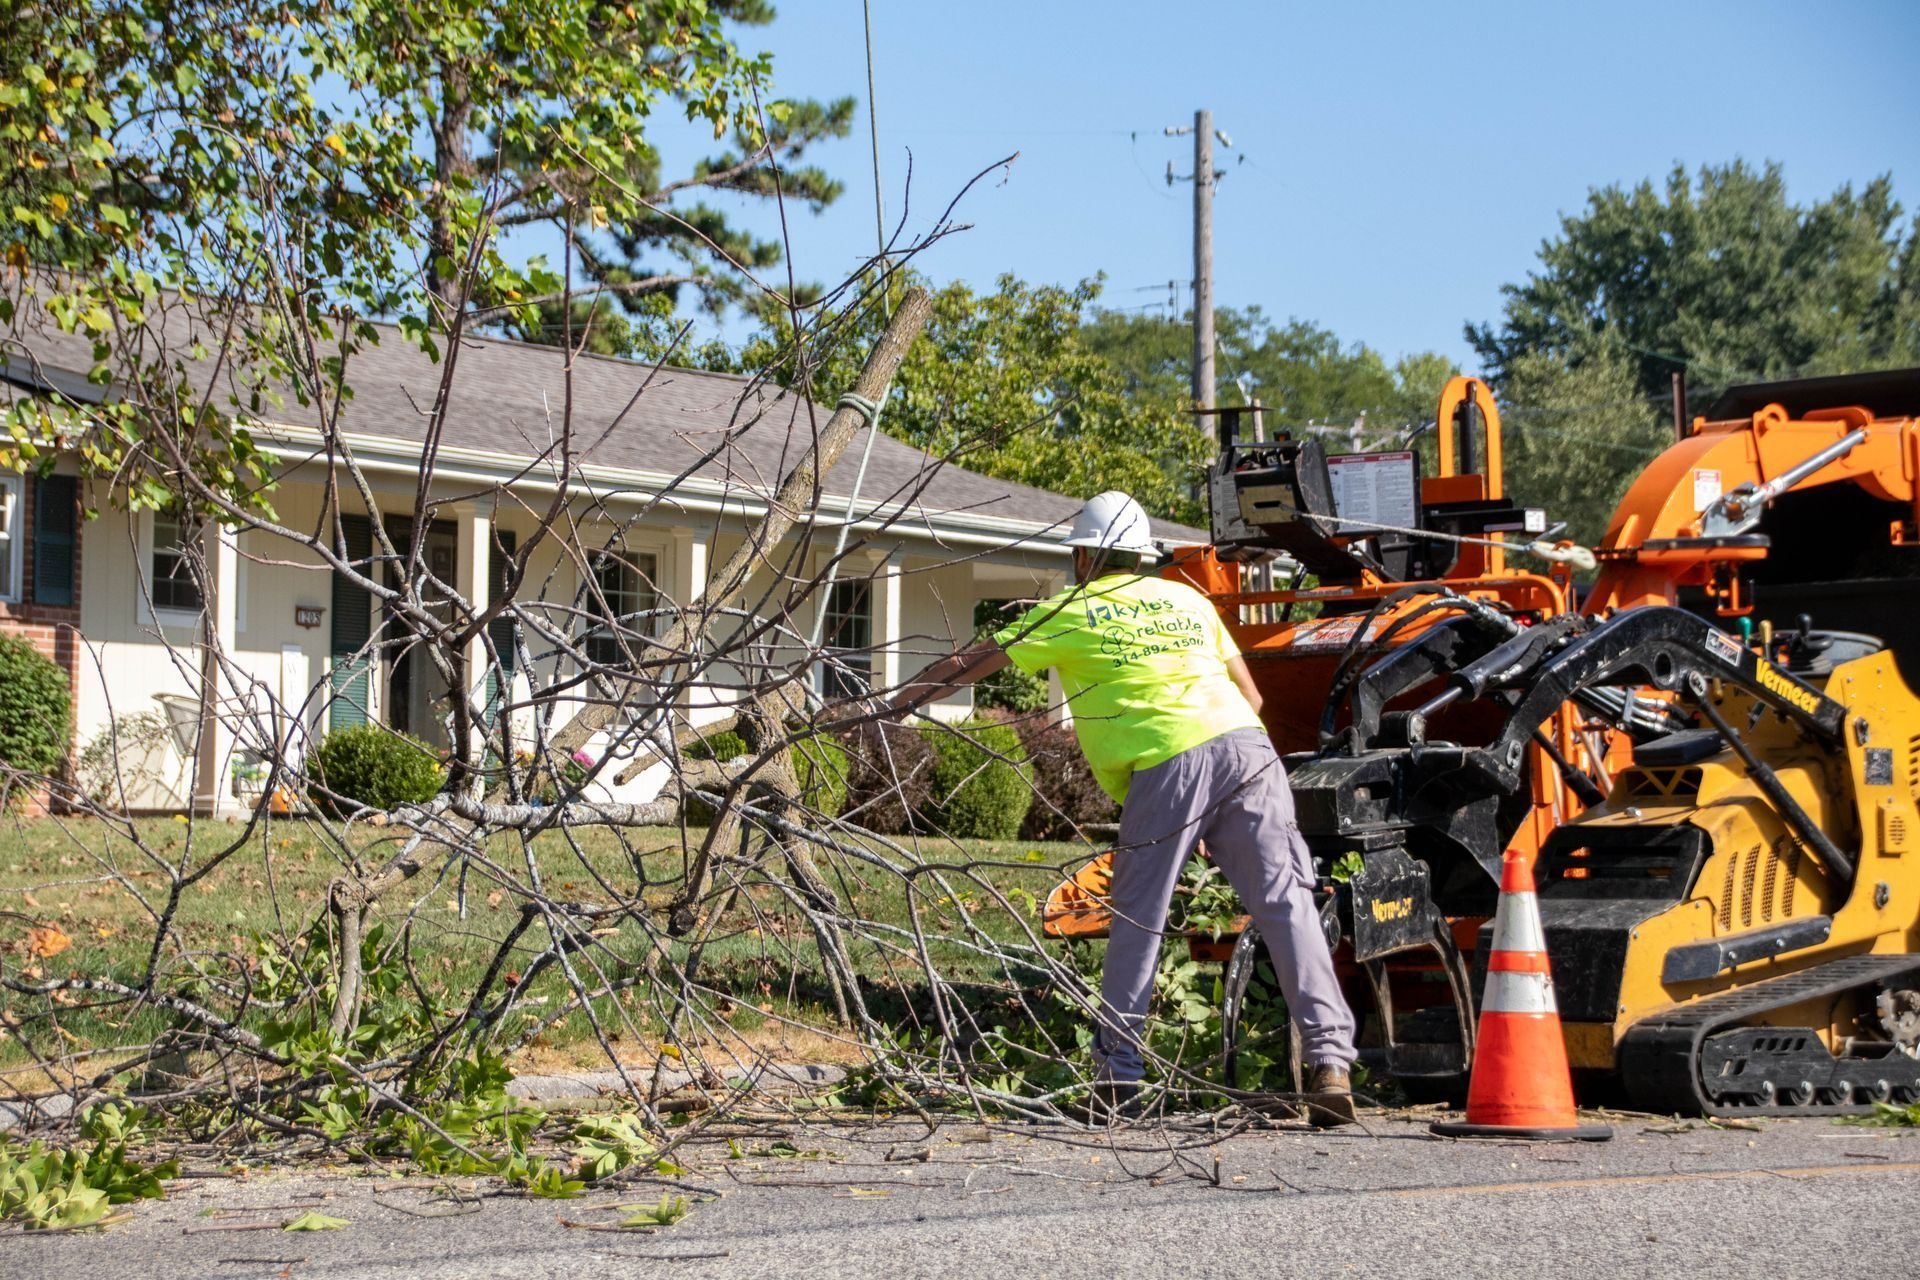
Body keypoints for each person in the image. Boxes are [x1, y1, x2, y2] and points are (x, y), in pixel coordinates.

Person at [872, 490, 1358, 1125]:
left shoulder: (1072, 610)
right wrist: (1217, 808)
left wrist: (886, 708)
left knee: (1138, 917)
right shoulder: (1189, 598)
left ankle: (1117, 1082)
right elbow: (1252, 697)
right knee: (1287, 903)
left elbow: (970, 661)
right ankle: (1329, 1065)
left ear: (1083, 559)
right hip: (1248, 750)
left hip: (1167, 761)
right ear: (1142, 555)